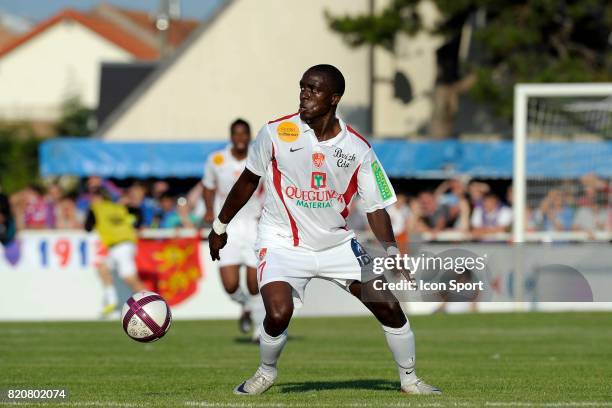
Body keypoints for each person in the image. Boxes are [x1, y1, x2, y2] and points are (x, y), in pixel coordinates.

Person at [208, 64, 441, 395]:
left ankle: (410, 380)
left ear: (334, 98)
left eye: (313, 89)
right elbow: (248, 180)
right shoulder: (276, 132)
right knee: (278, 312)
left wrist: (391, 250)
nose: (304, 94)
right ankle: (266, 372)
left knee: (388, 306)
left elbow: (375, 207)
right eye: (302, 86)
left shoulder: (358, 149)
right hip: (281, 242)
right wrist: (220, 225)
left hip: (337, 245)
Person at [202, 119, 265, 341]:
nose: (240, 138)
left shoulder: (258, 156)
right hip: (228, 227)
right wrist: (210, 211)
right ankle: (247, 306)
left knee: (254, 283)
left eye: (244, 134)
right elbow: (208, 187)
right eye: (236, 134)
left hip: (254, 227)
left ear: (249, 136)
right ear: (231, 136)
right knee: (230, 286)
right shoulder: (216, 160)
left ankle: (259, 329)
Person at [84, 188, 144, 317]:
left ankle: (150, 304)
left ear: (99, 198)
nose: (91, 200)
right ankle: (112, 300)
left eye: (93, 197)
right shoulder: (119, 207)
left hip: (120, 246)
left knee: (130, 278)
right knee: (102, 267)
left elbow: (87, 227)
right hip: (124, 245)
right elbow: (135, 218)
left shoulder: (96, 209)